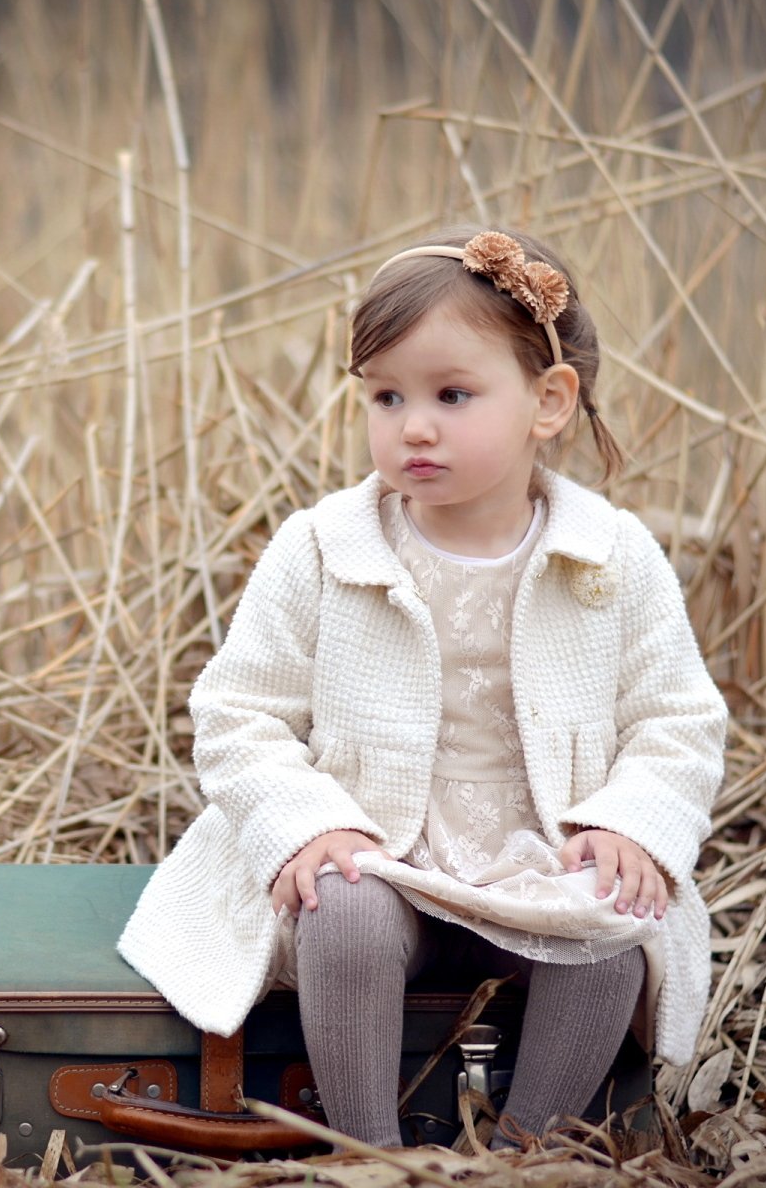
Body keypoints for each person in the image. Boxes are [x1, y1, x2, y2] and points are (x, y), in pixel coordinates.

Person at [118, 224, 728, 1150]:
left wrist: (630, 824)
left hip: (539, 851)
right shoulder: (324, 549)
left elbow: (676, 719)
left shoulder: (612, 557)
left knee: (611, 936)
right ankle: (367, 1152)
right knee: (342, 913)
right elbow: (239, 714)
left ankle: (532, 1150)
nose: (413, 425)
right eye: (386, 395)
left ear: (549, 402)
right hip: (381, 848)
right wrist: (312, 823)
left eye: (452, 394)